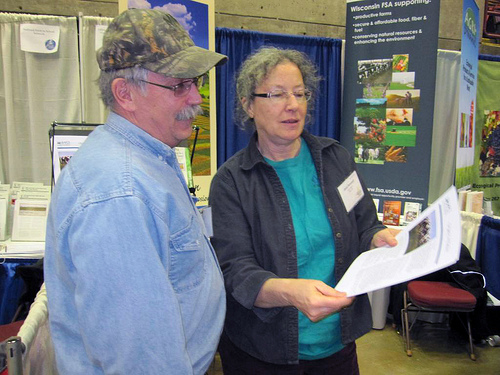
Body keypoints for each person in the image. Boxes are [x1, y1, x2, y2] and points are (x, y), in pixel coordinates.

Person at [44, 9, 227, 374]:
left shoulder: (147, 158)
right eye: (179, 86)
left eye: (196, 82)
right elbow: (139, 359)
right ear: (125, 93)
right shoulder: (120, 191)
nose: (197, 99)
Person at [209, 47, 398, 374]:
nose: (293, 105)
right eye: (276, 94)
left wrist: (379, 237)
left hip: (336, 345)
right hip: (261, 351)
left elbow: (366, 223)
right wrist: (290, 292)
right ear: (248, 105)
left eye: (300, 93)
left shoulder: (336, 159)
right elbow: (235, 271)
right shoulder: (231, 181)